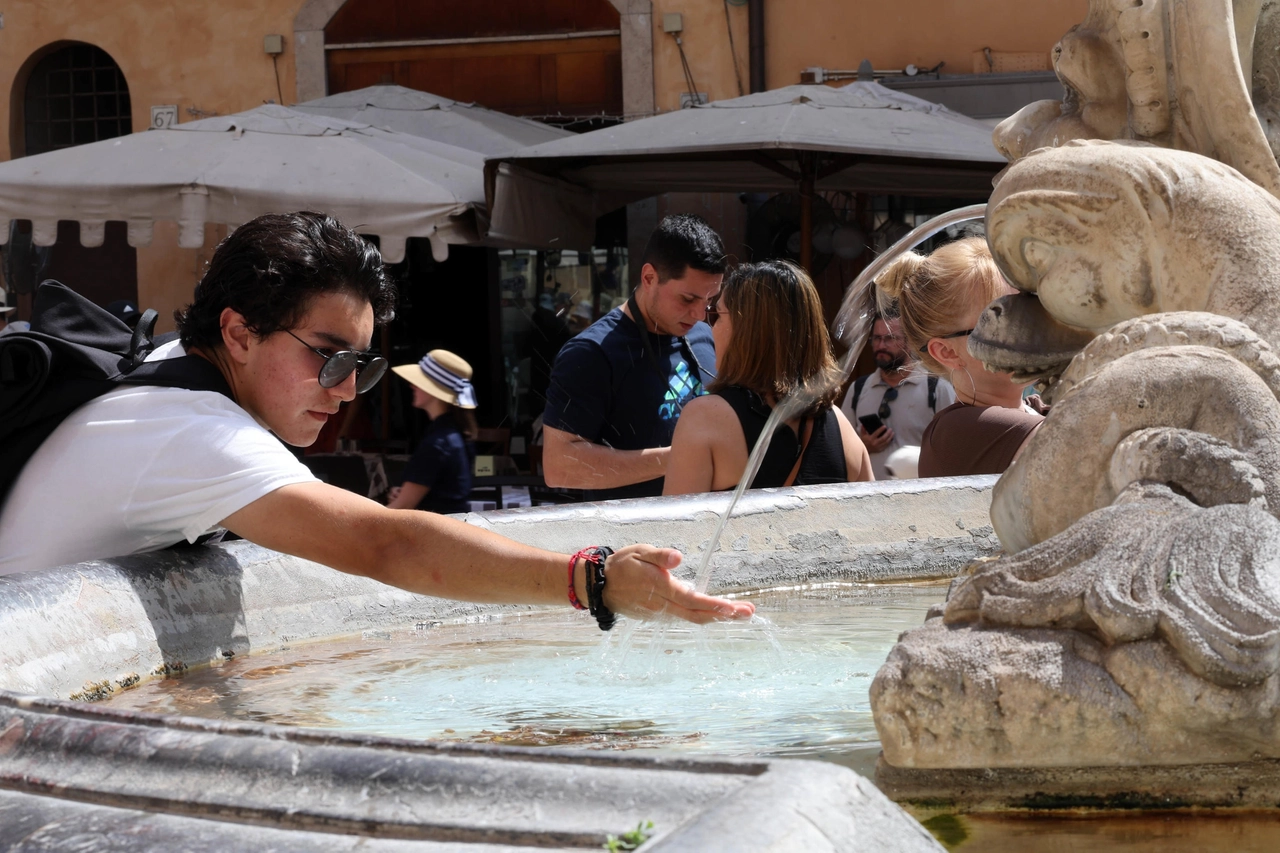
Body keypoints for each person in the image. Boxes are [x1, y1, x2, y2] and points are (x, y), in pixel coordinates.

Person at [0, 212, 753, 629]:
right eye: (328, 357)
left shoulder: (174, 367)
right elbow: (382, 543)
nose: (346, 390)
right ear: (236, 333)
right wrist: (592, 580)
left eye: (361, 366)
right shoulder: (195, 432)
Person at [542, 214, 725, 500]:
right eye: (688, 299)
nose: (700, 315)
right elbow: (559, 467)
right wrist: (681, 457)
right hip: (628, 540)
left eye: (710, 301)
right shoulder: (592, 353)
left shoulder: (704, 335)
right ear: (649, 277)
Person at [663, 261, 871, 494]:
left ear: (745, 330)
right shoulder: (843, 429)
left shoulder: (703, 418)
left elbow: (677, 528)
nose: (710, 328)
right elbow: (874, 522)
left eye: (716, 315)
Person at [874, 237, 1047, 477]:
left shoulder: (1031, 412)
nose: (1030, 326)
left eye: (1031, 306)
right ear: (947, 352)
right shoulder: (965, 430)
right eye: (1002, 318)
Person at [840, 315, 955, 479]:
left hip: (919, 498)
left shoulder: (937, 388)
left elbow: (953, 450)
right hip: (870, 499)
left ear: (909, 343)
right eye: (877, 339)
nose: (881, 345)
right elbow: (840, 449)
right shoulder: (858, 389)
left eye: (890, 339)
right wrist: (863, 446)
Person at [386, 349, 478, 515]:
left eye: (419, 381)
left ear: (434, 390)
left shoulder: (439, 442)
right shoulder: (453, 434)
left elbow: (399, 509)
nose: (412, 385)